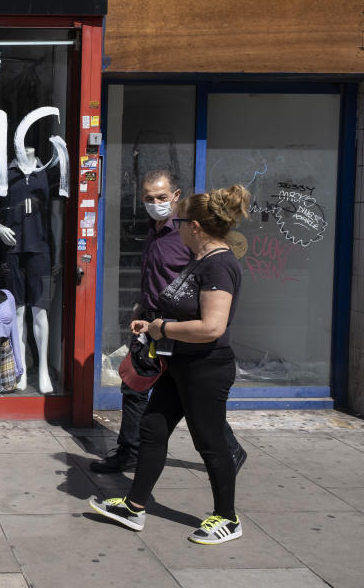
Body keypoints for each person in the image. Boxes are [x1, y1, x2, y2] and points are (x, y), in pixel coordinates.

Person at [89, 184, 251, 545]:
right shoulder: (201, 260)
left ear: (194, 226)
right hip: (179, 361)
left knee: (210, 442)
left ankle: (227, 517)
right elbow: (184, 308)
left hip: (206, 368)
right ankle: (134, 507)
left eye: (179, 221)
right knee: (153, 427)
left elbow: (212, 326)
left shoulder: (220, 265)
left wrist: (164, 328)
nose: (174, 227)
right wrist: (152, 325)